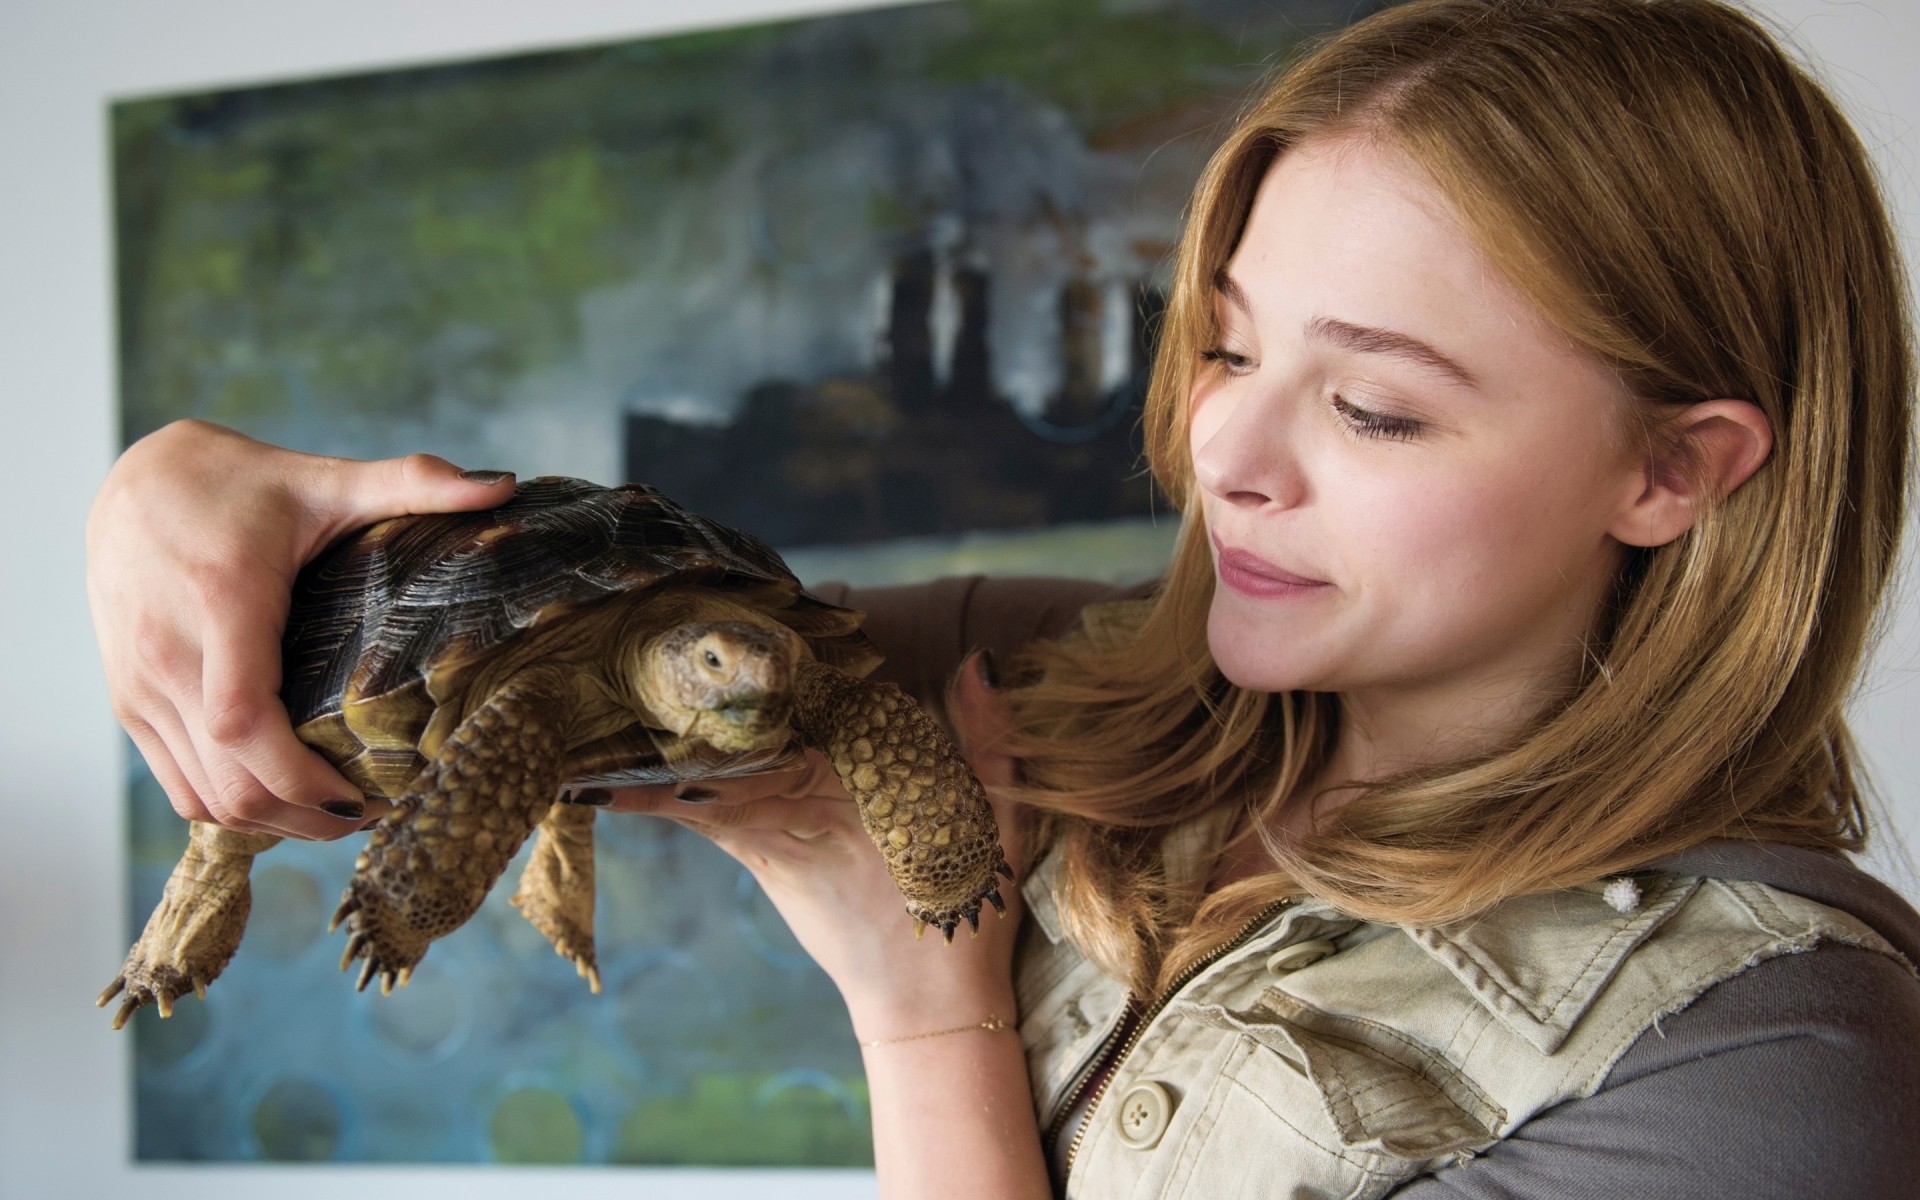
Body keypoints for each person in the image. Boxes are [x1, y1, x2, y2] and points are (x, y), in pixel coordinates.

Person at [86, 0, 1920, 1195]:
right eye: (1219, 350)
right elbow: (562, 689)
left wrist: (930, 1020)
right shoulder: (1060, 679)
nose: (1226, 456)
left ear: (1671, 471)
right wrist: (166, 494)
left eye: (1372, 404)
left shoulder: (1766, 1075)